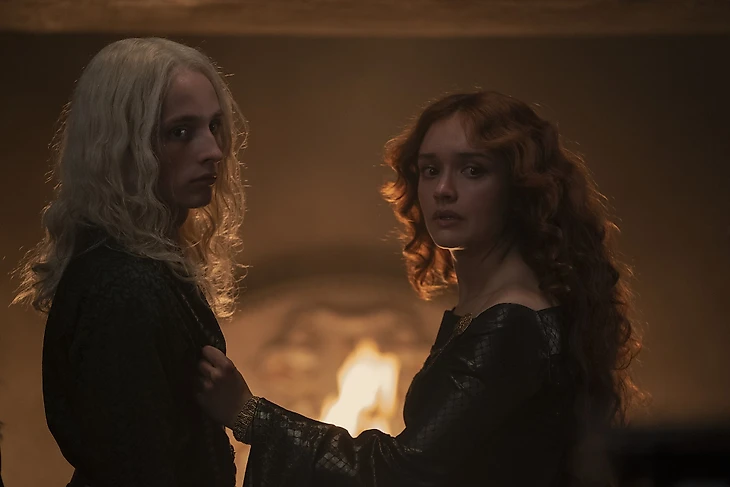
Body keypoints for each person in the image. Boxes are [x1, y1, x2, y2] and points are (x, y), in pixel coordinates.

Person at [195, 90, 643, 486]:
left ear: (519, 187)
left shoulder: (512, 321)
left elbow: (404, 473)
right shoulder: (493, 308)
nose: (443, 189)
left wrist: (250, 413)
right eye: (430, 170)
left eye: (472, 170)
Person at [13, 37, 247, 487]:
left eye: (214, 125)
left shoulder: (144, 264)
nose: (213, 150)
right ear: (122, 146)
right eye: (180, 132)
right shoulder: (123, 286)